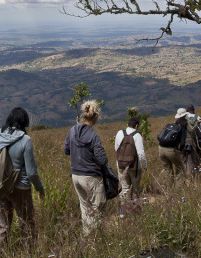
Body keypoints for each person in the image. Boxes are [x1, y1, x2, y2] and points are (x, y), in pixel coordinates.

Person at [0, 107, 45, 258]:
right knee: (27, 223)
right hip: (21, 188)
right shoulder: (25, 140)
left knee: (3, 226)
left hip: (1, 186)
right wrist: (40, 188)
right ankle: (30, 257)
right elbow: (32, 172)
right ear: (24, 122)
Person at [63, 100, 109, 235]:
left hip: (76, 175)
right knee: (98, 207)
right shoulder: (93, 135)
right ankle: (96, 237)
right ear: (95, 116)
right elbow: (102, 159)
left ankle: (87, 236)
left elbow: (66, 150)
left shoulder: (72, 131)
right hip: (91, 176)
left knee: (85, 207)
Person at [114, 117, 147, 218]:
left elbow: (116, 148)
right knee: (136, 187)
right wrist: (144, 166)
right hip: (134, 167)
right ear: (136, 126)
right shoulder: (137, 135)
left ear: (128, 124)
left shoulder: (120, 133)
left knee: (124, 188)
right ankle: (137, 211)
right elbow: (141, 153)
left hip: (121, 165)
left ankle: (123, 212)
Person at [159, 108, 189, 188]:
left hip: (161, 148)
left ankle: (169, 188)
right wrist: (180, 150)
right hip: (171, 150)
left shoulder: (172, 126)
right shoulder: (182, 129)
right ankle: (178, 191)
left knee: (167, 169)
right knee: (180, 169)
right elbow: (182, 143)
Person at [182, 104, 201, 176]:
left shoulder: (184, 118)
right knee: (197, 157)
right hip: (196, 140)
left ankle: (187, 172)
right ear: (193, 110)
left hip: (186, 141)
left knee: (187, 158)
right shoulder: (198, 118)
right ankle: (198, 171)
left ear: (187, 110)